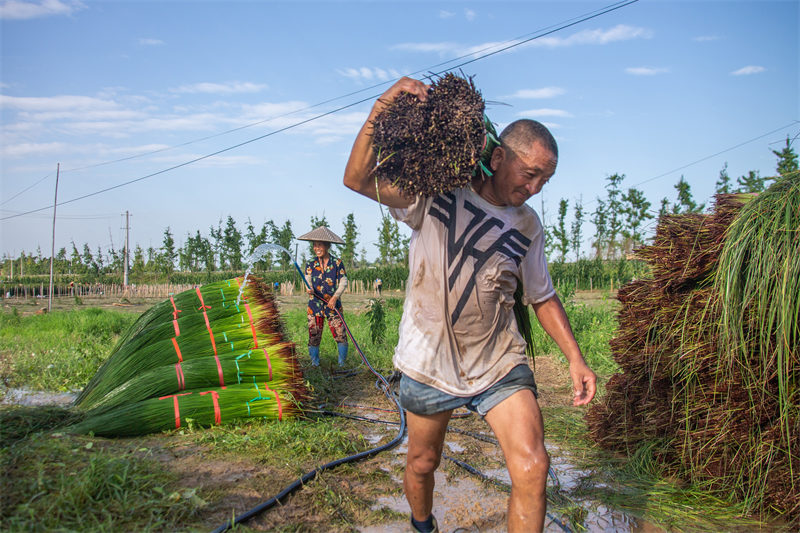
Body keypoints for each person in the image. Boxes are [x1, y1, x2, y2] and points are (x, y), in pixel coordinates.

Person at [343, 77, 597, 533]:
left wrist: (576, 358)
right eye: (530, 173)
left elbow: (542, 295)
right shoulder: (437, 192)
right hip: (428, 358)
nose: (536, 187)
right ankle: (424, 526)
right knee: (422, 463)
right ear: (498, 157)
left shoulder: (527, 226)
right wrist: (385, 103)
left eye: (545, 178)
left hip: (497, 360)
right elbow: (357, 179)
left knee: (533, 466)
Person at [298, 226, 349, 367]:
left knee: (340, 334)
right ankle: (315, 364)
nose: (316, 248)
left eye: (319, 245)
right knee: (314, 335)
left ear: (327, 246)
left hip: (333, 305)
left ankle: (341, 364)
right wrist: (309, 288)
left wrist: (335, 297)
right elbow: (307, 279)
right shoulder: (311, 264)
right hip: (315, 305)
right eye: (315, 245)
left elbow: (343, 281)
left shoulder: (337, 263)